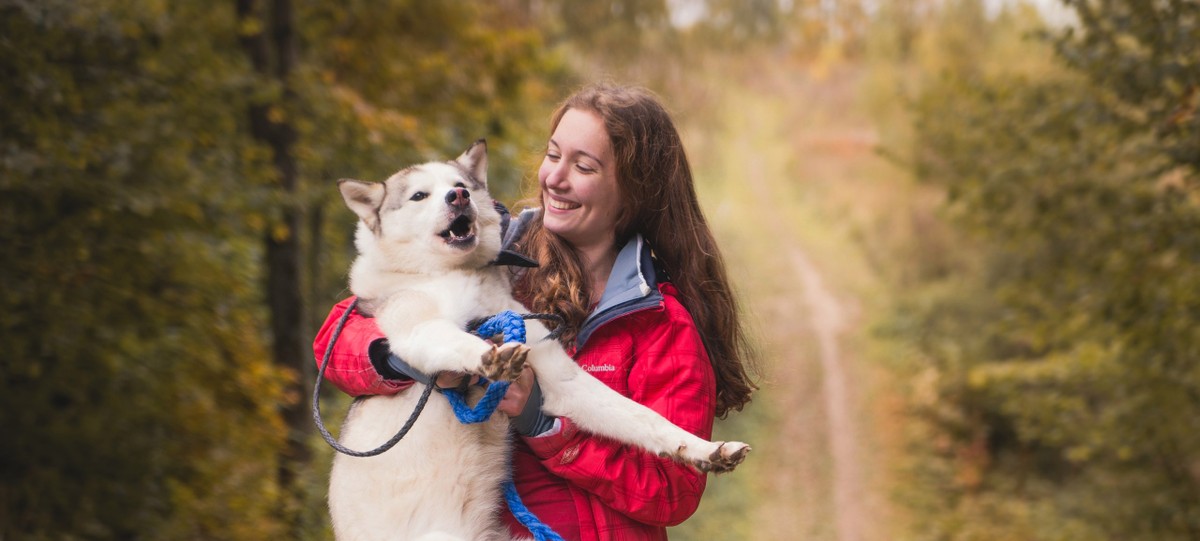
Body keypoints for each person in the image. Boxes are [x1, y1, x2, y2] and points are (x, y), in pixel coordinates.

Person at [312, 83, 757, 540]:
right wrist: (405, 359)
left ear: (632, 192)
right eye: (552, 155)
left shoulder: (661, 322)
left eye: (583, 166)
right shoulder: (481, 256)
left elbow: (671, 493)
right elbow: (336, 338)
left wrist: (544, 424)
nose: (555, 178)